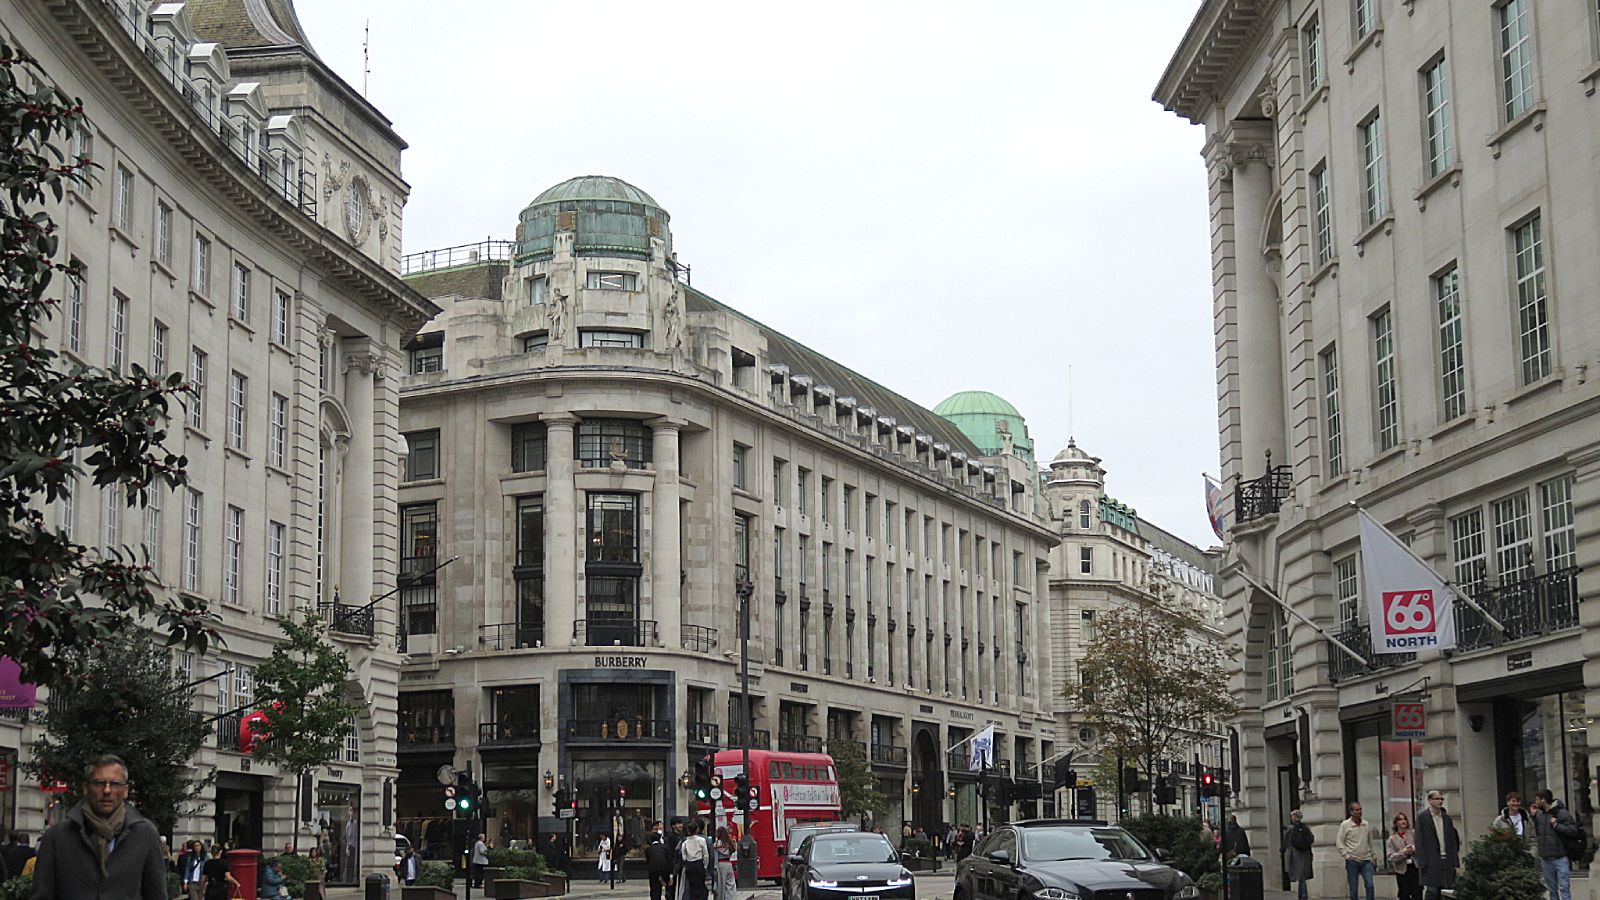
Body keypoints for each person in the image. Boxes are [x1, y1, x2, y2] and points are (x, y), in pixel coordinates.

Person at [31, 754, 167, 900]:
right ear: (85, 788)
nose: (107, 790)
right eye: (99, 783)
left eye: (115, 784)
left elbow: (156, 894)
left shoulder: (144, 834)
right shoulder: (58, 837)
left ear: (125, 791)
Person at [1532, 788, 1580, 900]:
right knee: (1552, 890)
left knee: (1564, 888)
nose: (1536, 802)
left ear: (1543, 800)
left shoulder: (1561, 813)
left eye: (1537, 799)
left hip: (1560, 857)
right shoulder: (1539, 815)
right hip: (1546, 858)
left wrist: (1557, 826)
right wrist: (1533, 817)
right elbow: (1538, 832)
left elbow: (1573, 830)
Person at [1413, 790, 1459, 899]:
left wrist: (1454, 861)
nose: (1440, 801)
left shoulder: (1446, 818)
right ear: (1430, 800)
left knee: (1447, 890)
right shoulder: (1422, 818)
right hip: (1431, 860)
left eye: (1441, 799)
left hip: (1446, 860)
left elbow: (1452, 841)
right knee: (1432, 891)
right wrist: (1422, 861)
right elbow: (1419, 840)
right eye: (1437, 799)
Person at [1336, 801, 1377, 900]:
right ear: (1351, 812)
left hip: (1366, 859)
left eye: (1360, 809)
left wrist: (1374, 856)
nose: (1359, 812)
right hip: (1352, 860)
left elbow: (1370, 842)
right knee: (1353, 888)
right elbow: (1339, 842)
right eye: (1357, 810)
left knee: (1370, 885)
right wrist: (1346, 855)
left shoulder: (1366, 824)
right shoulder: (1345, 825)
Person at [1281, 809, 1314, 900]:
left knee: (1300, 875)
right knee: (1301, 875)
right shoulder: (1305, 827)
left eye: (1292, 816)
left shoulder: (1293, 828)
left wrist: (1282, 851)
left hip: (1296, 853)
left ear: (1295, 817)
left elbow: (1286, 841)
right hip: (1305, 853)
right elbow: (1311, 839)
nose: (1291, 818)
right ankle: (1301, 894)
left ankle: (1303, 894)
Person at [1387, 813, 1419, 900]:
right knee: (1404, 893)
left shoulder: (1413, 833)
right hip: (1402, 870)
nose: (1403, 821)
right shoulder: (1392, 839)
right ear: (1396, 823)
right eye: (1400, 820)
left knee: (1417, 892)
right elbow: (1391, 857)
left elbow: (1422, 847)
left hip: (1415, 866)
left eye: (1405, 819)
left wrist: (1413, 849)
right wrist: (1403, 852)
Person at [676, 820, 709, 900]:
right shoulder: (701, 840)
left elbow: (683, 856)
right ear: (697, 830)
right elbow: (706, 854)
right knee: (701, 885)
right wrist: (705, 866)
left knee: (692, 887)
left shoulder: (685, 842)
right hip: (699, 864)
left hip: (689, 865)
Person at [646, 829, 673, 900]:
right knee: (668, 887)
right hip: (665, 869)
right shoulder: (665, 847)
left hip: (653, 870)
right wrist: (671, 873)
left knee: (655, 890)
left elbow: (648, 860)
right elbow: (669, 860)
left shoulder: (649, 849)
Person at [711, 827, 736, 900]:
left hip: (720, 864)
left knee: (721, 885)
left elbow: (715, 856)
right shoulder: (729, 843)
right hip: (728, 864)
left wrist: (714, 867)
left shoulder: (717, 844)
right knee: (730, 883)